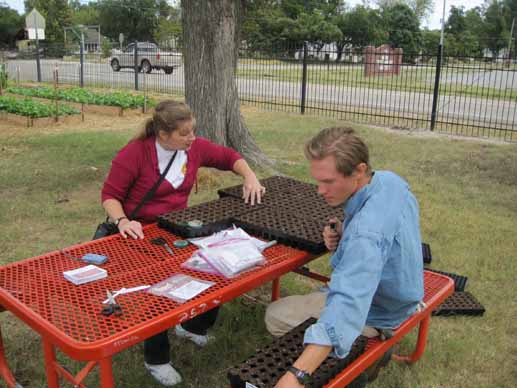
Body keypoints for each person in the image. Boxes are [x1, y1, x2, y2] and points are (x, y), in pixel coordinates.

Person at [101, 100, 265, 386]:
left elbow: (229, 157)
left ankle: (193, 326)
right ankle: (156, 359)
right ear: (163, 134)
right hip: (139, 233)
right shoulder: (135, 153)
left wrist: (249, 177)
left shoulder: (194, 148)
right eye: (184, 133)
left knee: (214, 268)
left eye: (193, 131)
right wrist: (123, 221)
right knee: (157, 292)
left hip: (177, 229)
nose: (192, 138)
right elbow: (110, 195)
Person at [265, 127, 424, 388]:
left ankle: (356, 367)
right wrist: (345, 231)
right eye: (318, 181)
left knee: (275, 314)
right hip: (404, 294)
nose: (320, 190)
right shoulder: (389, 181)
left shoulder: (365, 236)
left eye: (328, 182)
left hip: (378, 311)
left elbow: (347, 305)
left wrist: (297, 375)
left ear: (359, 171)